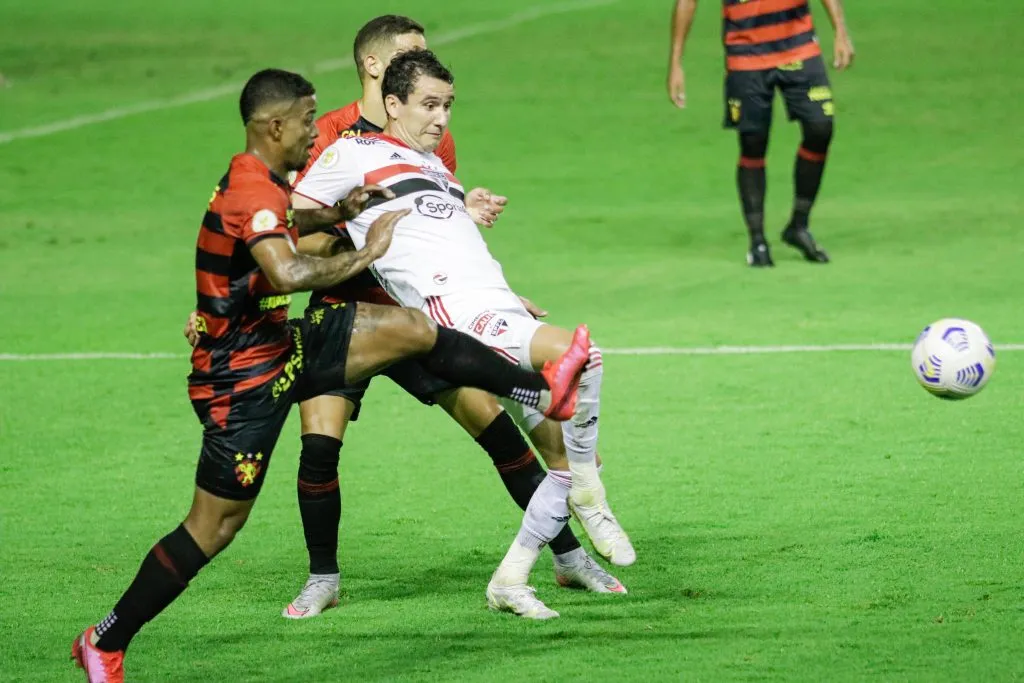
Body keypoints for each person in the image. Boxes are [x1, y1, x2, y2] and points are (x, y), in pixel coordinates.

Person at [71, 68, 591, 682]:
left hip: (281, 345)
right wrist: (366, 252)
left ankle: (534, 386)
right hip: (238, 380)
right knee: (216, 525)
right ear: (274, 126)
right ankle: (105, 639)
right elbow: (287, 274)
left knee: (411, 329)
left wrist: (337, 213)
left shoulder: (266, 180)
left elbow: (288, 227)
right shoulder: (250, 191)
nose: (313, 132)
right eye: (305, 122)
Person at [283, 14, 627, 617]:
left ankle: (569, 558)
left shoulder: (432, 138)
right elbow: (290, 229)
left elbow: (436, 216)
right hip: (348, 312)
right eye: (411, 56)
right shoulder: (334, 137)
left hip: (424, 317)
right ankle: (322, 579)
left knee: (501, 436)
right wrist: (363, 246)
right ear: (377, 69)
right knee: (318, 449)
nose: (426, 65)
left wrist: (467, 216)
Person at [667, 0, 854, 266]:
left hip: (800, 48)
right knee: (753, 141)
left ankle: (798, 226)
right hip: (746, 55)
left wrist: (841, 31)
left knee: (820, 129)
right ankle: (757, 241)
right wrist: (676, 62)